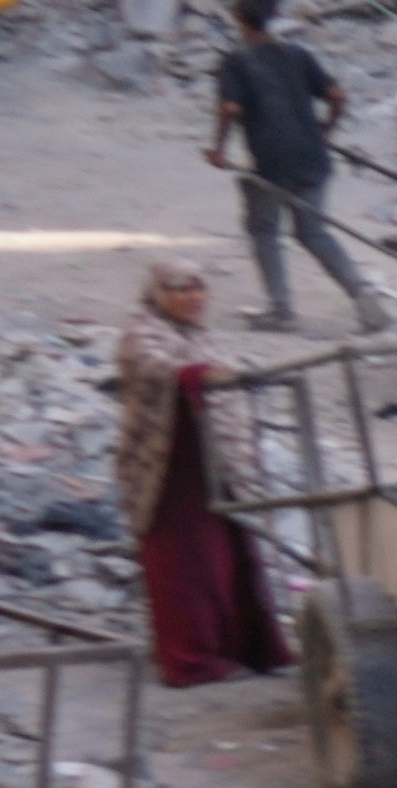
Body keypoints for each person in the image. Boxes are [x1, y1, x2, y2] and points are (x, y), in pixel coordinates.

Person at [108, 265, 286, 689]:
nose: (193, 298)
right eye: (180, 290)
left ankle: (243, 648)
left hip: (214, 466)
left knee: (229, 557)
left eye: (198, 289)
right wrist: (196, 377)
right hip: (169, 472)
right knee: (186, 567)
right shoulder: (141, 332)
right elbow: (155, 369)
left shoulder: (202, 335)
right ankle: (192, 659)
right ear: (158, 294)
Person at [206, 0, 382, 333]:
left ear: (238, 17)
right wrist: (326, 130)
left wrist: (219, 148)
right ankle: (363, 297)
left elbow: (230, 108)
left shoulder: (235, 62)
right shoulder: (297, 54)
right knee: (313, 232)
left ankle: (282, 310)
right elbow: (336, 94)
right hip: (313, 156)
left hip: (271, 163)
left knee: (263, 230)